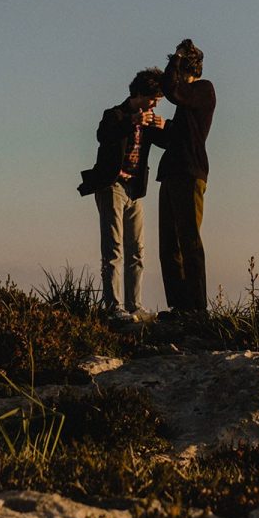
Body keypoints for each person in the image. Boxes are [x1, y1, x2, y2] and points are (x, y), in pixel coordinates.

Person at [77, 68, 165, 319]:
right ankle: (113, 307)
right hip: (112, 186)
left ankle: (134, 305)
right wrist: (131, 122)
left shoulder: (149, 119)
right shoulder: (114, 114)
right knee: (113, 248)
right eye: (154, 99)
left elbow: (166, 141)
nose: (155, 104)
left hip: (134, 189)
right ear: (140, 94)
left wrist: (162, 126)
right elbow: (103, 135)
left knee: (137, 249)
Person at [153, 39, 215, 315]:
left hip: (190, 173)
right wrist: (156, 127)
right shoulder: (186, 101)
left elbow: (173, 91)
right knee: (168, 244)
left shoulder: (203, 90)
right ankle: (179, 306)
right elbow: (170, 139)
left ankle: (197, 308)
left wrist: (175, 59)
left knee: (189, 241)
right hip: (171, 173)